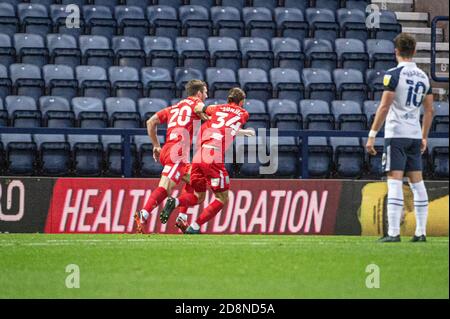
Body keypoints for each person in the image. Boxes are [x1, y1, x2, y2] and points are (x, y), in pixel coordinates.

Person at [365, 33, 434, 243]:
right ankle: (421, 232)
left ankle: (394, 233)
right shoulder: (424, 77)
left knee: (394, 181)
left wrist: (372, 135)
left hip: (396, 135)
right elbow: (430, 110)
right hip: (414, 135)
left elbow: (385, 106)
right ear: (413, 52)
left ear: (396, 51)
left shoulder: (393, 75)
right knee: (417, 183)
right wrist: (424, 137)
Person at [160, 88, 254, 234]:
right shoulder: (243, 113)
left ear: (228, 99)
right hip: (213, 156)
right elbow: (228, 125)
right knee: (222, 197)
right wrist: (244, 131)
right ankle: (194, 227)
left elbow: (199, 108)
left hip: (199, 156)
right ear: (241, 102)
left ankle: (176, 202)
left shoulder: (217, 108)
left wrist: (205, 114)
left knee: (199, 196)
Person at [134, 80, 209, 234]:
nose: (206, 96)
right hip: (177, 153)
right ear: (199, 93)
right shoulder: (196, 103)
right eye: (205, 92)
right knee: (165, 188)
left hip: (169, 150)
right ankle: (144, 214)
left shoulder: (174, 107)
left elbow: (150, 122)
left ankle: (181, 217)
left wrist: (155, 145)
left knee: (196, 181)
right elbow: (208, 113)